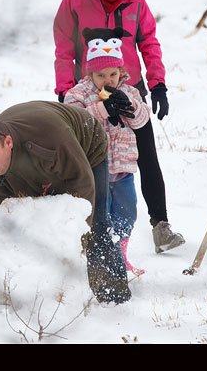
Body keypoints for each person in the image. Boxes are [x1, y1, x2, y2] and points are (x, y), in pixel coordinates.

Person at [53, 0, 184, 254]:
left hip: (129, 87)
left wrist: (159, 83)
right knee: (90, 164)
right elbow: (64, 50)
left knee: (146, 157)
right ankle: (88, 231)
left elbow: (149, 41)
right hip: (88, 90)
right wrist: (65, 92)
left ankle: (161, 227)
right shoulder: (74, 0)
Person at [0, 101, 131, 304]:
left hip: (86, 147)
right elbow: (17, 208)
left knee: (97, 221)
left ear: (8, 142)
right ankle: (47, 293)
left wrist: (79, 233)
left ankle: (113, 295)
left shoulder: (50, 139)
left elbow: (82, 182)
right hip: (42, 165)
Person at [64, 26, 149, 276]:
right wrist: (103, 110)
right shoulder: (78, 93)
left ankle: (121, 254)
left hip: (123, 167)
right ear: (90, 72)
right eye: (101, 75)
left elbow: (142, 121)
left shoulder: (130, 91)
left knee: (127, 212)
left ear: (121, 71)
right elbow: (75, 121)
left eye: (113, 74)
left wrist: (129, 104)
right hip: (95, 168)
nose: (108, 80)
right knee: (101, 215)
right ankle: (100, 257)